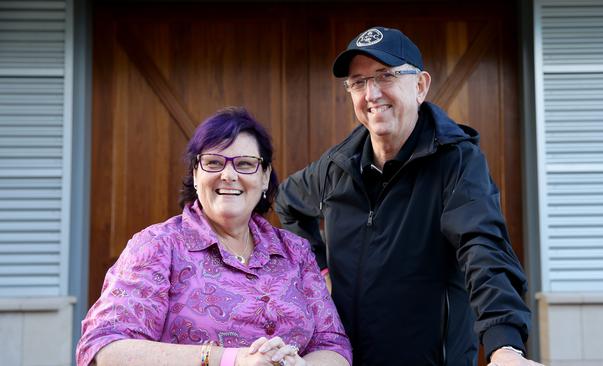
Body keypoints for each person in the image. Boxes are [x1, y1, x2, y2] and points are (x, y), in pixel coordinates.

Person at [275, 27, 544, 366]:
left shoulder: (456, 162)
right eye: (358, 82)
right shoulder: (337, 166)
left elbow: (485, 249)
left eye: (385, 76)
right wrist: (320, 272)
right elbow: (287, 202)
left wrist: (505, 345)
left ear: (419, 86)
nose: (371, 93)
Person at [77, 107, 352, 366]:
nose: (228, 175)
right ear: (196, 174)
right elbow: (105, 347)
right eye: (213, 162)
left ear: (265, 176)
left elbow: (334, 346)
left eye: (245, 164)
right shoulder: (158, 247)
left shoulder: (295, 251)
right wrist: (230, 360)